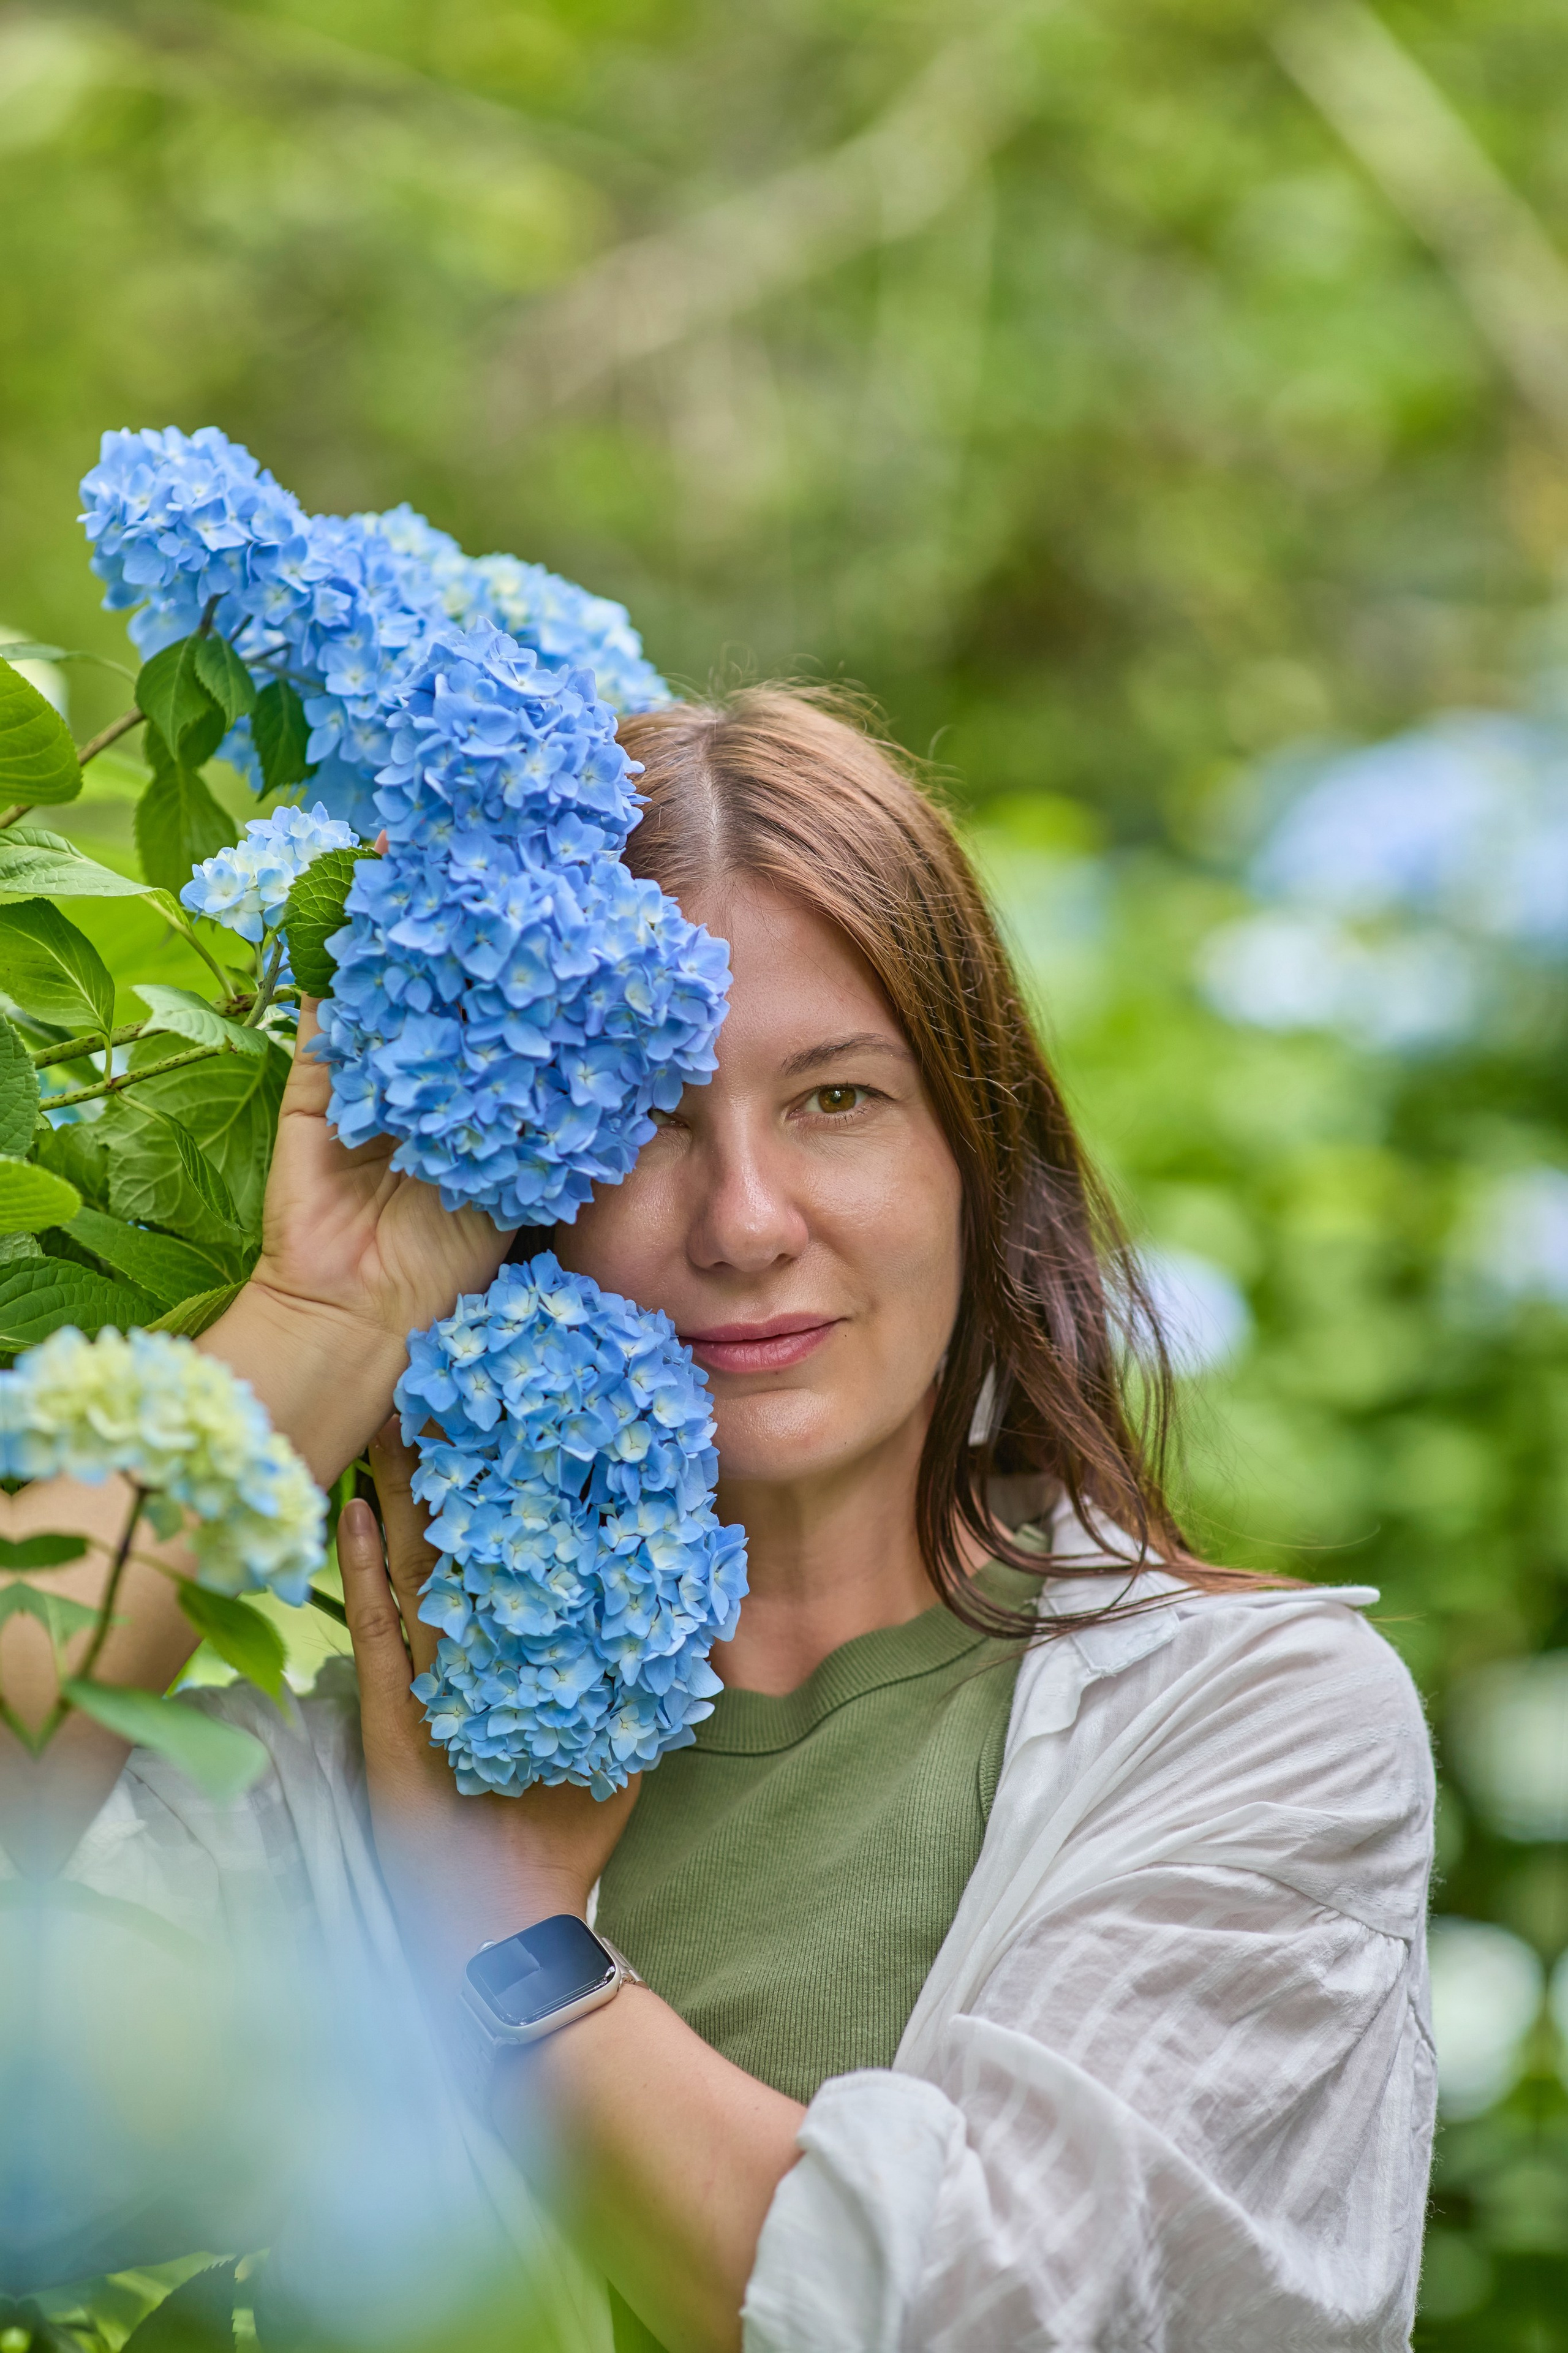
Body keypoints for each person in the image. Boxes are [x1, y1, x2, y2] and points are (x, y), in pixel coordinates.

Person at [3, 689, 1434, 2351]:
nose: (749, 1221)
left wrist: (500, 1933)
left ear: (977, 1144)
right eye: (651, 1119)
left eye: (838, 1098)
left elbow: (986, 2313)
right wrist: (314, 1322)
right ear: (521, 1176)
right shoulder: (346, 1786)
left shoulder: (1248, 1725)